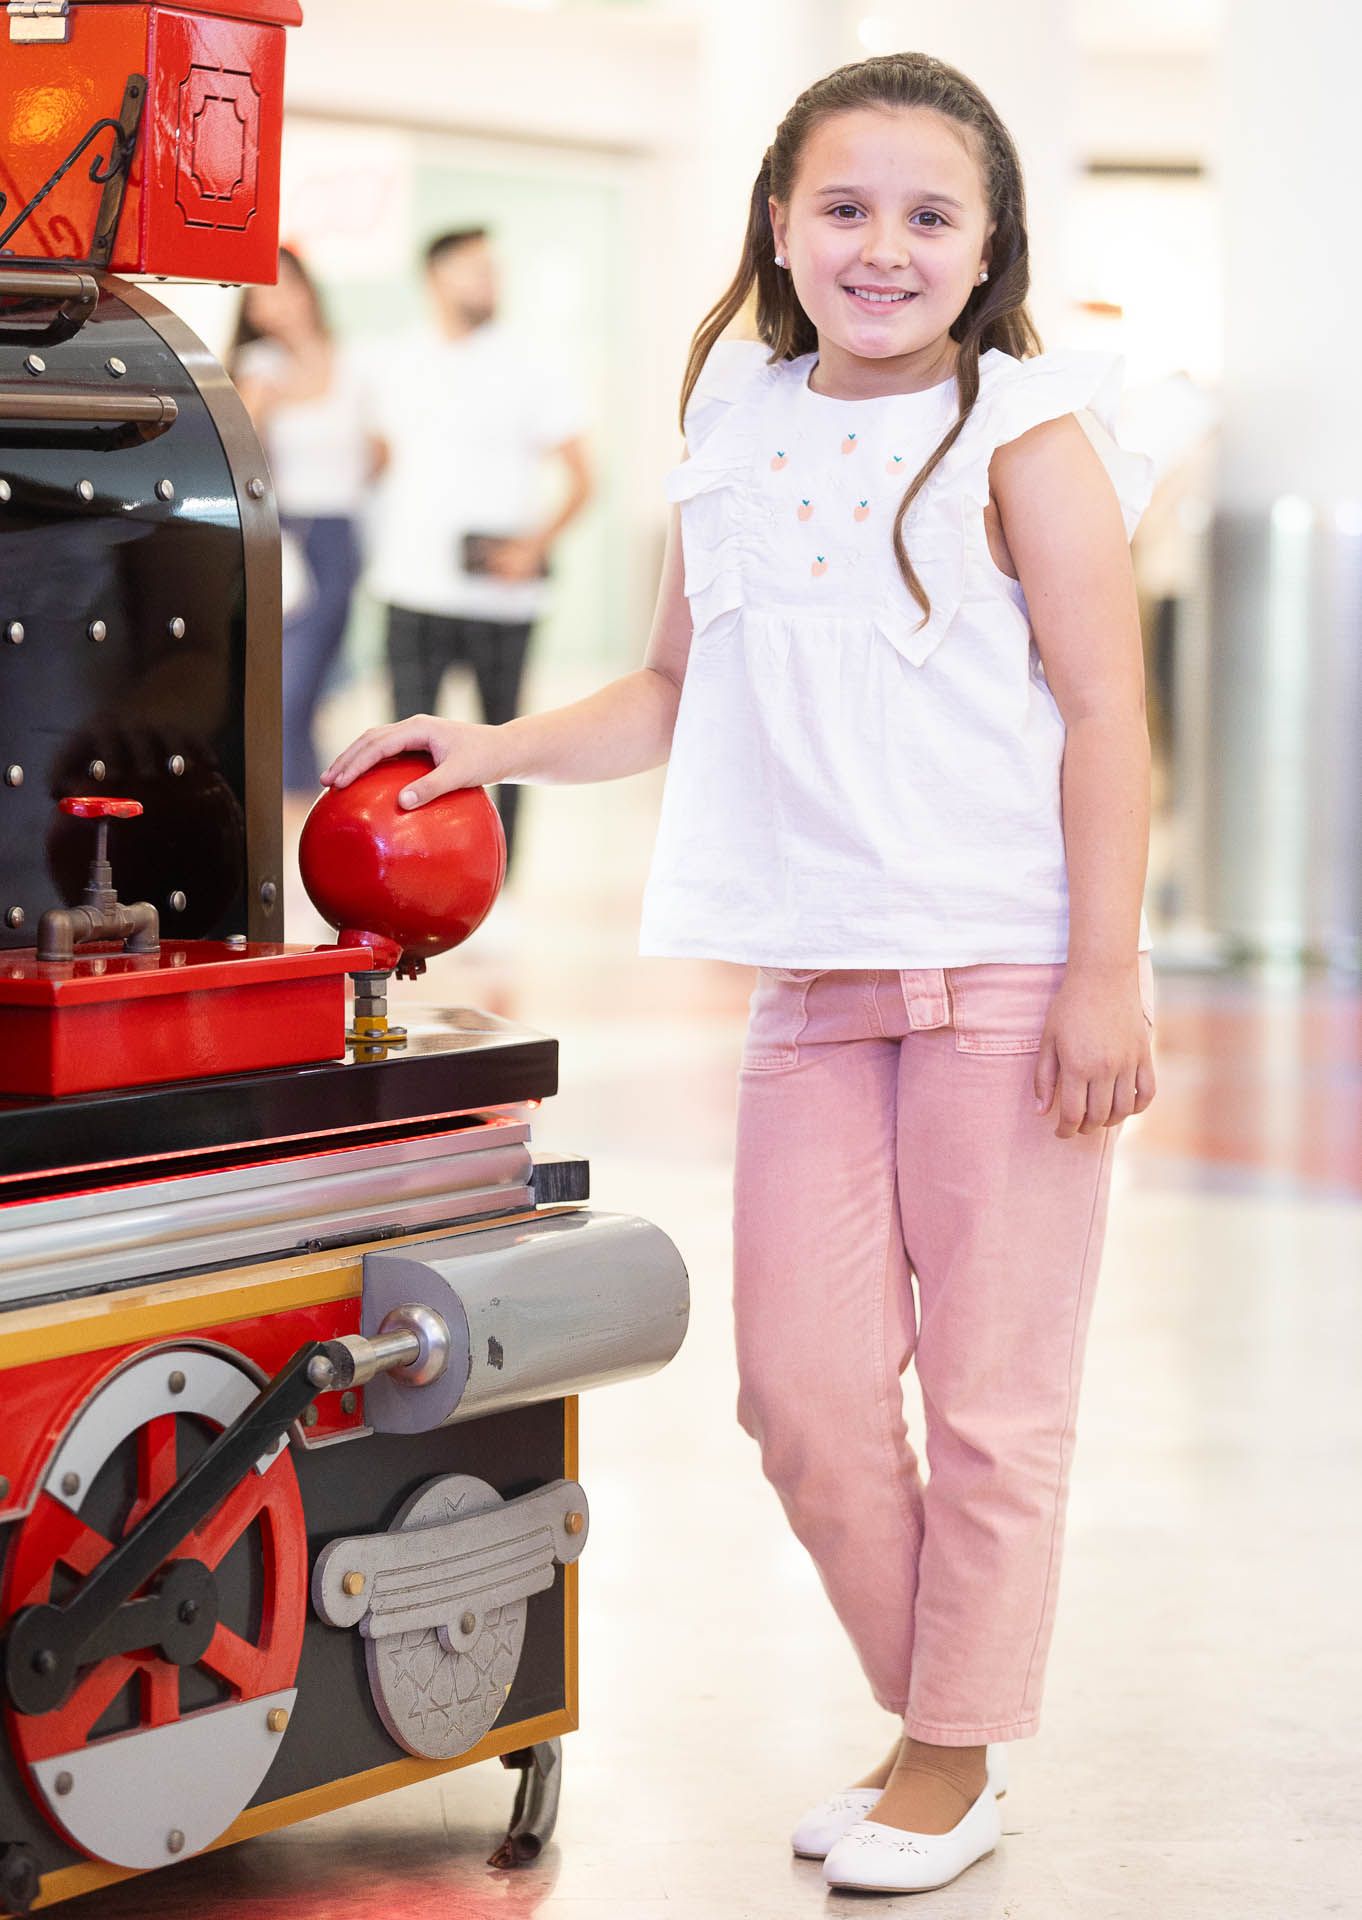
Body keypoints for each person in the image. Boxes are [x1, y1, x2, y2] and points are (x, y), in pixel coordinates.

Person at [322, 51, 1158, 1897]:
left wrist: (1108, 972)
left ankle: (947, 1757)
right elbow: (672, 694)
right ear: (776, 227)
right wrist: (490, 754)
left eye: (927, 214)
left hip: (1007, 984)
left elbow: (1108, 716)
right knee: (796, 1397)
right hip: (811, 994)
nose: (881, 247)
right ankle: (949, 1718)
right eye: (842, 207)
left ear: (988, 243)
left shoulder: (1030, 433)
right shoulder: (734, 421)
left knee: (996, 1409)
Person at [358, 227, 593, 874]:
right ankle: (404, 866)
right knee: (404, 747)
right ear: (434, 277)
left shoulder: (532, 365)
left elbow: (585, 478)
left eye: (495, 268)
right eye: (473, 268)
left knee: (508, 748)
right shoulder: (392, 361)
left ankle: (496, 879)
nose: (490, 280)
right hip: (409, 587)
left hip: (500, 595)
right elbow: (372, 463)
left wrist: (531, 547)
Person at [231, 248, 375, 800]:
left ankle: (304, 813)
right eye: (263, 295)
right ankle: (298, 816)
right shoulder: (259, 365)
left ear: (308, 289)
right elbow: (247, 448)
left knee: (303, 692)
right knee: (283, 695)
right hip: (283, 534)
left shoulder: (356, 361)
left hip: (337, 536)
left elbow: (381, 451)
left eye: (285, 287)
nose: (278, 303)